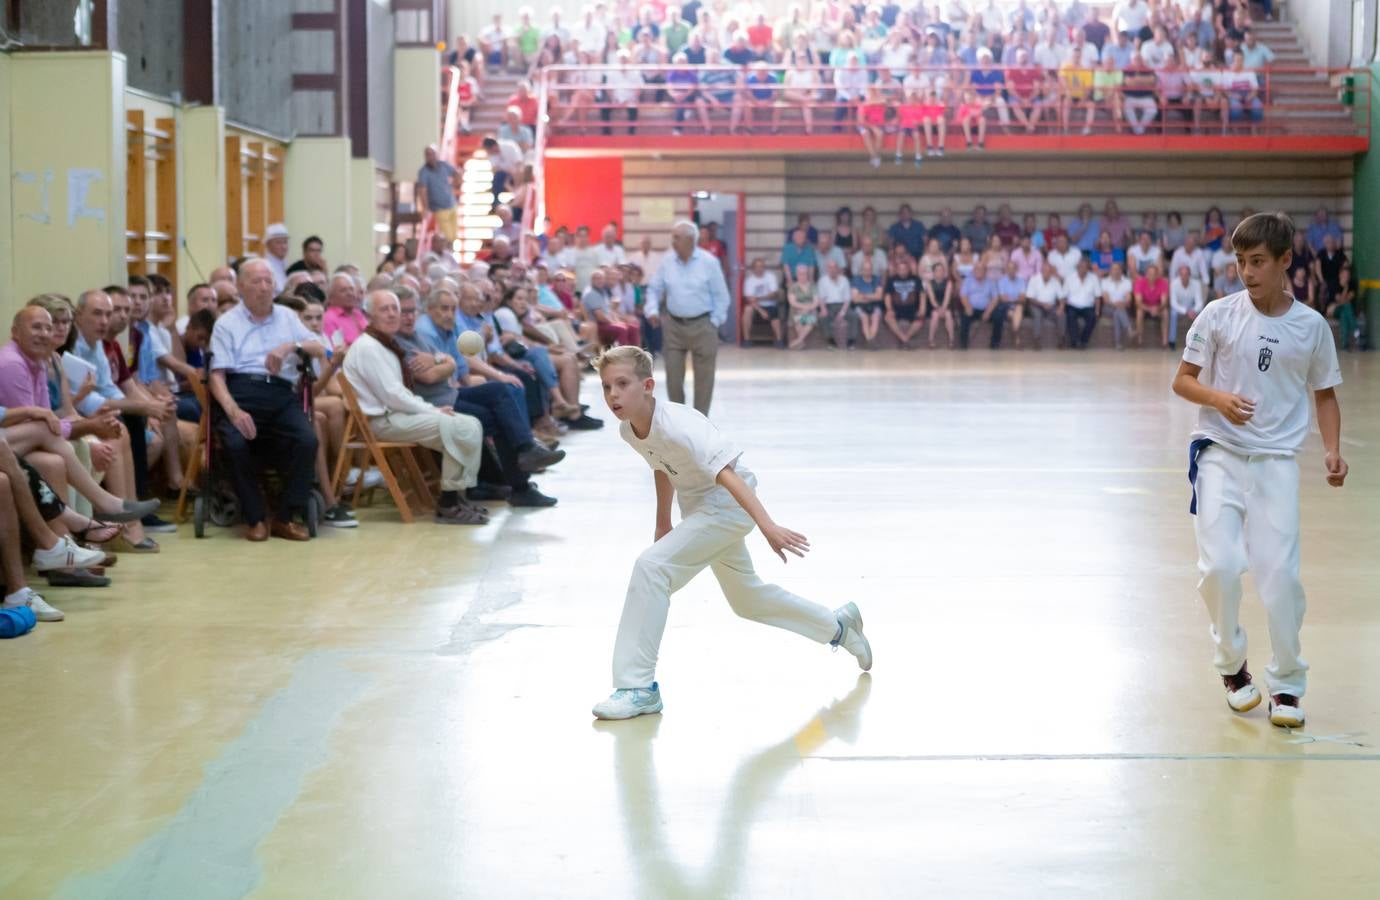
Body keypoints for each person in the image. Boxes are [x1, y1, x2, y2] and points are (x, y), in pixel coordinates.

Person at [589, 346, 872, 720]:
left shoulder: (680, 424)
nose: (613, 395)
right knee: (747, 599)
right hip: (700, 510)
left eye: (621, 385)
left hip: (727, 506)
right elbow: (661, 465)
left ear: (647, 386)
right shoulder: (630, 430)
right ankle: (838, 626)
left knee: (651, 568)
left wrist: (767, 525)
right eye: (606, 387)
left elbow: (727, 474)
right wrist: (662, 521)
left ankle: (637, 687)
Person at [1172, 212, 1346, 730]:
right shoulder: (1218, 315)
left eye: (1257, 262)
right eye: (1240, 262)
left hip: (1276, 463)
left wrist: (1332, 451)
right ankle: (1232, 667)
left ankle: (1288, 683)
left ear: (1285, 261)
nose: (1246, 272)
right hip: (1220, 450)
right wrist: (1218, 399)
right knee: (1221, 568)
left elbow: (1326, 394)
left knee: (1281, 579)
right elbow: (1183, 381)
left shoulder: (1311, 327)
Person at [342, 291, 492, 525]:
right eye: (385, 309)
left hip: (397, 415)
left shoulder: (385, 344)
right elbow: (394, 396)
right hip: (383, 421)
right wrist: (433, 411)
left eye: (395, 308)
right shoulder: (369, 347)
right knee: (457, 427)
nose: (392, 314)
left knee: (470, 423)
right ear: (369, 316)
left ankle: (456, 497)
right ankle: (449, 505)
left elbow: (399, 395)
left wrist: (432, 409)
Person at [207, 259, 325, 542]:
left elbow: (320, 347)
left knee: (307, 440)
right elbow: (216, 376)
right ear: (240, 287)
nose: (263, 287)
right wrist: (234, 411)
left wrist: (289, 347)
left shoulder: (287, 316)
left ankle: (285, 517)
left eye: (268, 281)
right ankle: (255, 518)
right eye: (256, 281)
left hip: (282, 393)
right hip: (241, 391)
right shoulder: (226, 323)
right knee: (234, 444)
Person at [644, 220, 732, 415]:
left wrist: (714, 322)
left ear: (690, 240)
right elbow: (654, 289)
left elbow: (722, 297)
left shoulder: (709, 262)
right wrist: (652, 310)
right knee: (673, 378)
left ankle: (700, 421)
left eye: (677, 237)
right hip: (674, 325)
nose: (672, 241)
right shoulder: (667, 261)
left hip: (703, 325)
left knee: (704, 378)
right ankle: (680, 419)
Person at [416, 145, 460, 243]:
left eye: (433, 154)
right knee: (448, 237)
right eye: (428, 154)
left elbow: (456, 173)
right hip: (439, 208)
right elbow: (422, 191)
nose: (431, 157)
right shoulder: (423, 172)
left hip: (452, 204)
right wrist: (425, 208)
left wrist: (454, 183)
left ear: (437, 154)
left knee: (455, 235)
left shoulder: (444, 165)